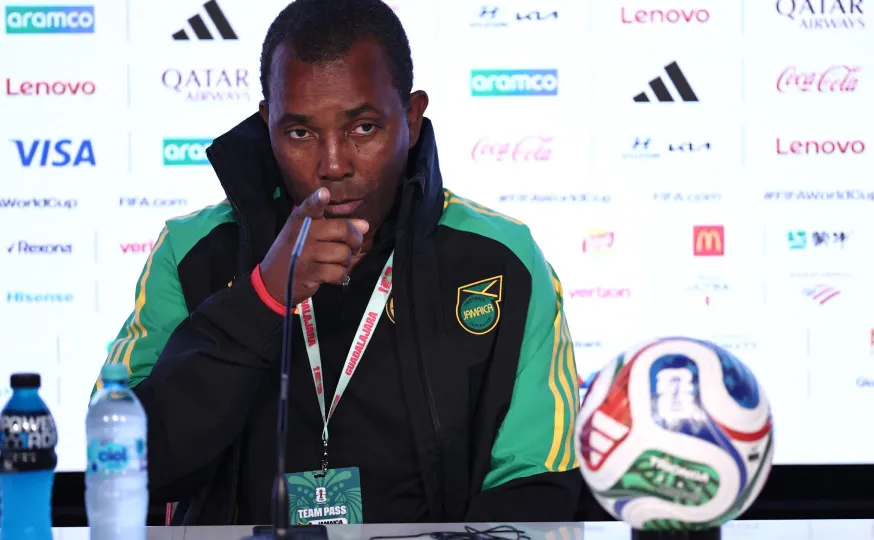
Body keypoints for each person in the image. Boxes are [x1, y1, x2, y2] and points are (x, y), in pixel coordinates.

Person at [95, 0, 581, 526]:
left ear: (411, 118)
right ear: (268, 123)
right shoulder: (192, 250)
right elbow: (128, 464)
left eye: (363, 128)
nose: (332, 164)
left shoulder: (502, 259)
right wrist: (262, 298)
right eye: (300, 133)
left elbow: (536, 485)